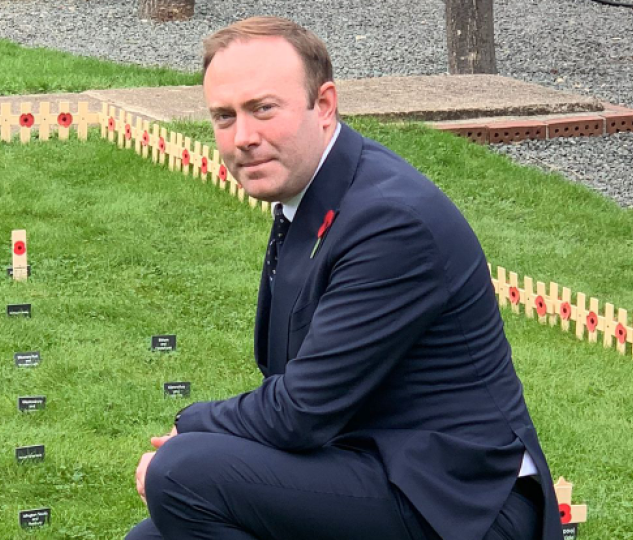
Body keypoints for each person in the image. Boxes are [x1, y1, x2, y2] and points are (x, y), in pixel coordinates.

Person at [126, 16, 564, 540]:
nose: (243, 137)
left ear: (325, 105)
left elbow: (301, 411)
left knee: (183, 472)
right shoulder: (312, 190)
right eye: (224, 117)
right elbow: (290, 387)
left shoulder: (391, 221)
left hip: (461, 503)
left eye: (263, 109)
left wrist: (192, 424)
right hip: (373, 462)